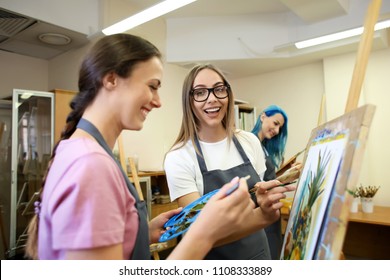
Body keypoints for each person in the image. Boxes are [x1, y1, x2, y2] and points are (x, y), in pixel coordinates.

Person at [24, 34, 260, 260]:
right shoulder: (91, 165)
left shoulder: (76, 149)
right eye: (152, 86)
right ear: (111, 79)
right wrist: (203, 233)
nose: (158, 101)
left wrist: (140, 233)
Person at [164, 64, 295, 260]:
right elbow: (199, 232)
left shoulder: (249, 142)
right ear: (189, 101)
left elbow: (260, 198)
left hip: (258, 255)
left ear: (228, 93)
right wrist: (261, 217)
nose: (212, 98)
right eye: (200, 92)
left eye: (218, 89)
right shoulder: (179, 157)